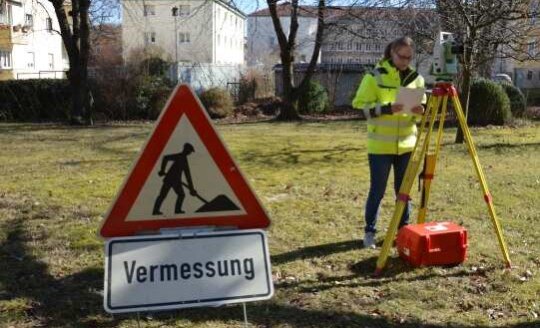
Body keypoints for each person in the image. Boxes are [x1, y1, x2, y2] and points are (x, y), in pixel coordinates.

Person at [352, 36, 426, 249]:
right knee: (377, 190)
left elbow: (421, 110)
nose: (405, 61)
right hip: (380, 147)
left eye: (409, 57)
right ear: (391, 53)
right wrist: (385, 108)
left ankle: (403, 231)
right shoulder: (374, 77)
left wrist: (421, 110)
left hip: (407, 145)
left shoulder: (416, 79)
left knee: (403, 191)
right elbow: (358, 107)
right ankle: (370, 232)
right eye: (401, 56)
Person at [152, 143, 198, 215]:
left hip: (176, 181)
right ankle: (157, 211)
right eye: (190, 151)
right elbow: (165, 158)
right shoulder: (179, 156)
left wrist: (191, 189)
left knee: (180, 195)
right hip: (170, 180)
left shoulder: (184, 160)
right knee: (164, 195)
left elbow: (187, 175)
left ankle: (177, 210)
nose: (190, 153)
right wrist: (162, 170)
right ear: (186, 149)